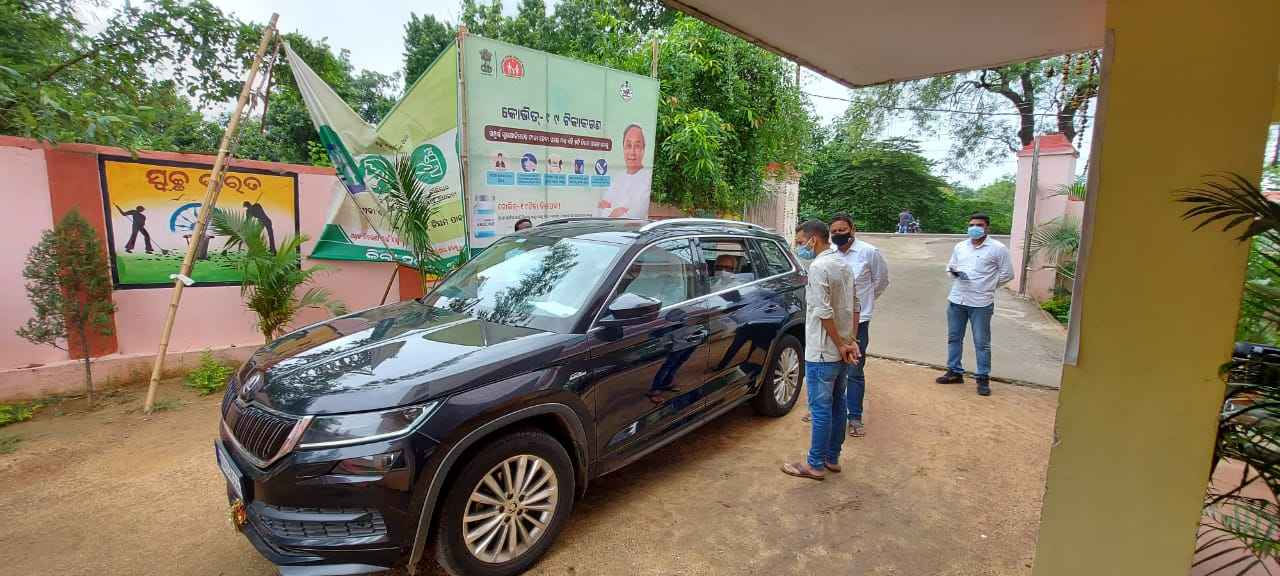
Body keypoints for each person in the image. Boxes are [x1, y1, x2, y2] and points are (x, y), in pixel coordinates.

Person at [782, 219, 861, 481]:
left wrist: (841, 344)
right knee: (838, 404)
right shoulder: (843, 264)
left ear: (813, 240)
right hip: (841, 349)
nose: (799, 247)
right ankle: (831, 457)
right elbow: (855, 305)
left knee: (820, 409)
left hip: (823, 351)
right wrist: (850, 341)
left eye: (800, 242)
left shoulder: (818, 267)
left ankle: (814, 464)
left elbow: (823, 311)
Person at [936, 212, 1014, 396]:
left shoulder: (998, 248)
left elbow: (1008, 274)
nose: (974, 228)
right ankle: (954, 372)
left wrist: (988, 286)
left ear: (987, 228)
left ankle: (982, 377)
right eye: (971, 225)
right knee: (954, 338)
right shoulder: (960, 246)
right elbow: (950, 266)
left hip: (981, 303)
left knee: (982, 342)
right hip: (957, 299)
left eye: (979, 225)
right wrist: (954, 272)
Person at [829, 213, 889, 437]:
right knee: (830, 368)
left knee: (854, 369)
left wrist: (865, 303)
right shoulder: (830, 253)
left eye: (842, 230)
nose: (838, 234)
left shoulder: (869, 252)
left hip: (858, 322)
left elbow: (881, 281)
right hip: (832, 321)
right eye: (834, 231)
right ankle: (824, 410)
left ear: (852, 230)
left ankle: (854, 416)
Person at [596, 124, 652, 219]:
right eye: (628, 145)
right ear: (623, 148)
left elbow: (634, 216)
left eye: (637, 146)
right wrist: (617, 212)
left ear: (643, 149)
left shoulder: (648, 179)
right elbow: (598, 210)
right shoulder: (617, 178)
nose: (632, 152)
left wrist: (609, 212)